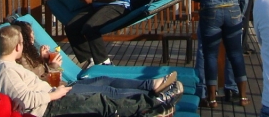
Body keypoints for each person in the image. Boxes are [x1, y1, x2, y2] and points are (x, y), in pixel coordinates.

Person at [0, 25, 178, 117]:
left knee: (103, 89)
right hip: (51, 106)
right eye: (25, 42)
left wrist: (52, 73)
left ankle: (152, 92)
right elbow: (26, 99)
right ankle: (153, 103)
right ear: (17, 47)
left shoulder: (6, 67)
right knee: (102, 100)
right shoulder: (6, 71)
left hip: (54, 96)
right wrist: (54, 94)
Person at [10, 20, 179, 94]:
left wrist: (44, 60)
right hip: (59, 92)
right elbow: (46, 84)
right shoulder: (21, 62)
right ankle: (151, 95)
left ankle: (152, 84)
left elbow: (46, 77)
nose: (34, 39)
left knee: (106, 80)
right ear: (23, 39)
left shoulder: (30, 56)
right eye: (31, 36)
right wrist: (52, 65)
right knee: (105, 90)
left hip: (64, 86)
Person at [188, 0, 250, 108]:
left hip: (210, 12)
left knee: (210, 55)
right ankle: (243, 96)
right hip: (233, 12)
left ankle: (212, 98)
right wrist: (240, 13)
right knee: (236, 53)